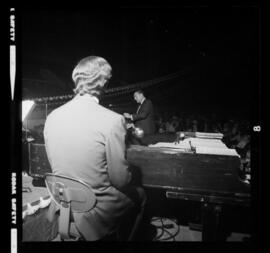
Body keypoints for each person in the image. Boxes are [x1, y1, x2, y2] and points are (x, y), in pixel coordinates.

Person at [43, 56, 146, 241]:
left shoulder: (52, 117)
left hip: (63, 200)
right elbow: (120, 181)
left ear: (77, 79)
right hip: (95, 206)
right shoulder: (113, 121)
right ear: (104, 82)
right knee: (141, 195)